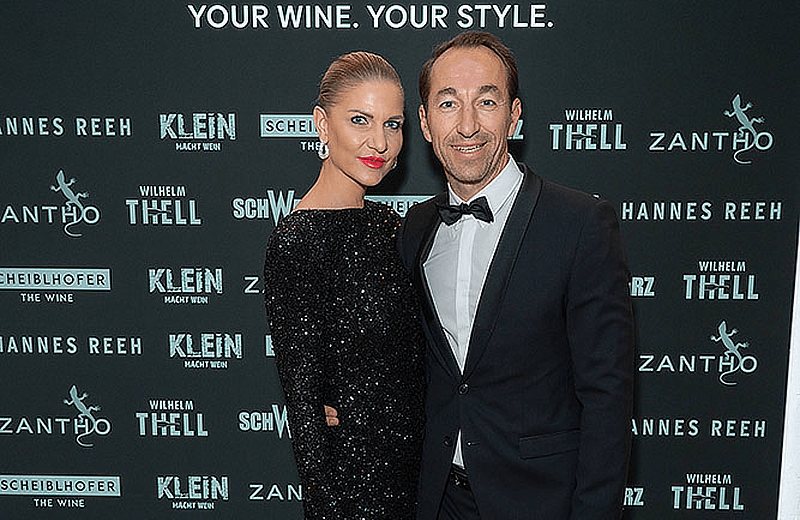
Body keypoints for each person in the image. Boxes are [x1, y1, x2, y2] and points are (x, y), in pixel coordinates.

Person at [329, 32, 635, 520]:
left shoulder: (580, 224)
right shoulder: (415, 228)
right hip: (435, 499)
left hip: (539, 501)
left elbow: (607, 397)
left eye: (486, 102)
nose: (467, 125)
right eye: (448, 104)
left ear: (514, 115)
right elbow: (403, 360)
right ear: (426, 123)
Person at [263, 51, 426, 520]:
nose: (380, 142)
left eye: (393, 125)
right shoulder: (297, 242)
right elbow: (306, 413)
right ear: (321, 124)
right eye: (360, 120)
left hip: (422, 470)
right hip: (356, 487)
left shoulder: (389, 224)